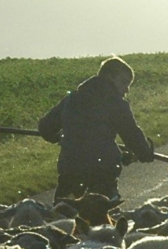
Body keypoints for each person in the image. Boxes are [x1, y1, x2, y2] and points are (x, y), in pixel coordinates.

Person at [37, 56, 155, 225]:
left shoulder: (72, 99)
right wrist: (145, 152)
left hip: (70, 170)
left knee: (61, 222)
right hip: (101, 173)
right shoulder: (115, 103)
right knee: (102, 225)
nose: (126, 89)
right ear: (109, 77)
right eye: (123, 82)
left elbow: (45, 128)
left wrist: (61, 137)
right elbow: (132, 136)